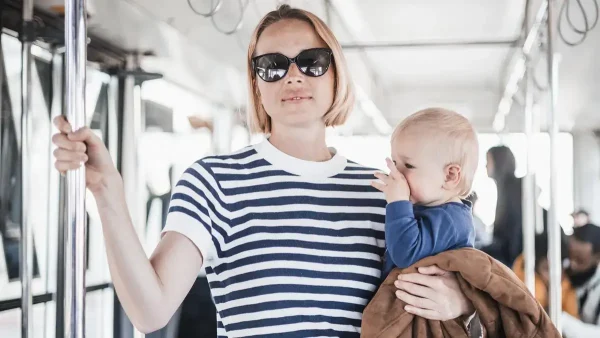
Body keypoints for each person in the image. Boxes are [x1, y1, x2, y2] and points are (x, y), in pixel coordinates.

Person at [51, 4, 476, 337]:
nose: (293, 76)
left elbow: (452, 288)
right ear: (256, 83)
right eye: (272, 65)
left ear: (335, 75)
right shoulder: (214, 182)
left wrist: (458, 301)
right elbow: (150, 310)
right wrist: (107, 192)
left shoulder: (382, 193)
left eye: (311, 61)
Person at [372, 108, 478, 277]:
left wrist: (398, 203)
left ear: (449, 176)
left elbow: (405, 253)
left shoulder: (452, 220)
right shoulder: (429, 208)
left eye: (408, 166)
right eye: (394, 162)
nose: (397, 175)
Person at [512, 230, 579, 318]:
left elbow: (573, 318)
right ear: (535, 267)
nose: (554, 275)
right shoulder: (526, 282)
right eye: (547, 269)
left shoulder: (567, 285)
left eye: (559, 268)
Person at [480, 145, 523, 267]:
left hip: (512, 258)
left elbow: (512, 232)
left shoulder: (511, 189)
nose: (485, 166)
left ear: (499, 162)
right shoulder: (507, 187)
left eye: (488, 161)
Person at [561, 223, 600, 337]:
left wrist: (563, 321)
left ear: (597, 257)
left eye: (580, 260)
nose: (572, 265)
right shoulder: (559, 271)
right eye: (570, 256)